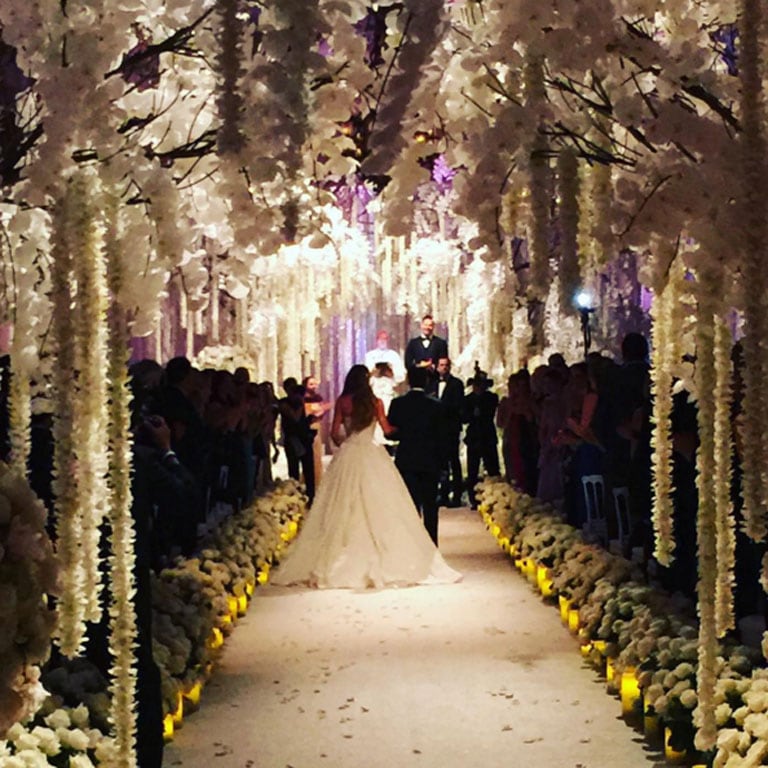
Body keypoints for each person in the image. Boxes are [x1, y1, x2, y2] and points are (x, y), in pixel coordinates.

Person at [271, 364, 460, 589]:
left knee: (341, 505)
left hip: (350, 453)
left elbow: (333, 432)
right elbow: (388, 430)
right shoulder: (375, 402)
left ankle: (340, 554)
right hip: (372, 453)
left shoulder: (343, 401)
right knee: (380, 503)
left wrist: (347, 444)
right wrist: (409, 432)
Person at [427, 356, 465, 507]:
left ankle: (456, 495)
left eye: (446, 365)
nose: (444, 368)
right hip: (436, 429)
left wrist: (442, 408)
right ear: (437, 367)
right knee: (439, 462)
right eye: (441, 365)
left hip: (451, 428)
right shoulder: (432, 384)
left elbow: (458, 405)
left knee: (454, 461)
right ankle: (442, 494)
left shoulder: (457, 384)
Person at [462, 363, 501, 509]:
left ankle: (496, 497)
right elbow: (464, 418)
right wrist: (472, 414)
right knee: (472, 470)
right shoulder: (468, 399)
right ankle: (474, 499)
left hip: (487, 435)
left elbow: (489, 413)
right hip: (473, 437)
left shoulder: (491, 398)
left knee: (492, 468)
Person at [278, 377, 316, 504]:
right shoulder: (284, 403)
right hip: (292, 439)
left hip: (305, 438)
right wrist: (300, 403)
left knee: (309, 470)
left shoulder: (301, 401)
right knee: (293, 470)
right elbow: (294, 417)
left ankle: (311, 497)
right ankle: (294, 498)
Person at [303, 375, 332, 486]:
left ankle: (317, 480)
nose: (314, 386)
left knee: (317, 456)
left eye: (315, 384)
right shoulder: (304, 399)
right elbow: (309, 413)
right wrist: (322, 409)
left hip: (317, 427)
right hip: (309, 428)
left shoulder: (318, 398)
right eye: (311, 384)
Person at [404, 314, 448, 379]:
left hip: (435, 379)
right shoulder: (413, 343)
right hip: (417, 380)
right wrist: (419, 366)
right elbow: (408, 363)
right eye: (425, 325)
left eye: (430, 325)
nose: (427, 327)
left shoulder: (441, 343)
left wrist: (432, 366)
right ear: (421, 325)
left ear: (433, 327)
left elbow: (444, 362)